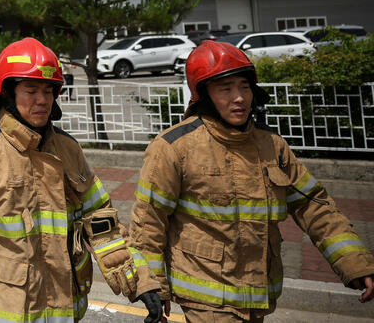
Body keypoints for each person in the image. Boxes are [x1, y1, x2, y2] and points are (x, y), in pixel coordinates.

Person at [129, 40, 374, 322]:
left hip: (260, 296)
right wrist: (152, 288)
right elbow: (148, 224)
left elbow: (315, 206)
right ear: (204, 95)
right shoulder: (174, 147)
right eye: (226, 89)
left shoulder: (272, 146)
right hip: (206, 301)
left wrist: (355, 262)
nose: (240, 98)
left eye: (244, 87)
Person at [0, 37, 161, 322]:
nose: (42, 100)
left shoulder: (68, 149)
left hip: (66, 312)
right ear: (7, 94)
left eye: (49, 91)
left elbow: (103, 221)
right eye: (31, 90)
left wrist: (142, 282)